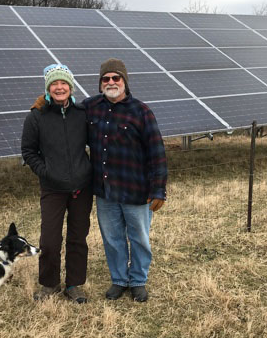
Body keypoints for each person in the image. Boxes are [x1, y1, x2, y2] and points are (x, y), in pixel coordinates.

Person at [83, 58, 167, 302]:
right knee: (112, 238)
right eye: (106, 79)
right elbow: (63, 110)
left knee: (139, 238)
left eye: (115, 78)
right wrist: (42, 105)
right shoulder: (90, 108)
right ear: (100, 84)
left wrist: (159, 189)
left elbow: (157, 152)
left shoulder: (142, 111)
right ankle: (119, 279)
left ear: (124, 82)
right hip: (105, 191)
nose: (111, 82)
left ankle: (138, 280)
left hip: (136, 190)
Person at [21, 64, 93, 304]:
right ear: (48, 88)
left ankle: (74, 285)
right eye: (54, 83)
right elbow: (28, 151)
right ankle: (50, 284)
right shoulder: (36, 116)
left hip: (82, 188)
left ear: (71, 87)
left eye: (64, 83)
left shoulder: (82, 114)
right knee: (49, 241)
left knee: (77, 238)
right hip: (52, 189)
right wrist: (46, 172)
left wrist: (87, 170)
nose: (59, 87)